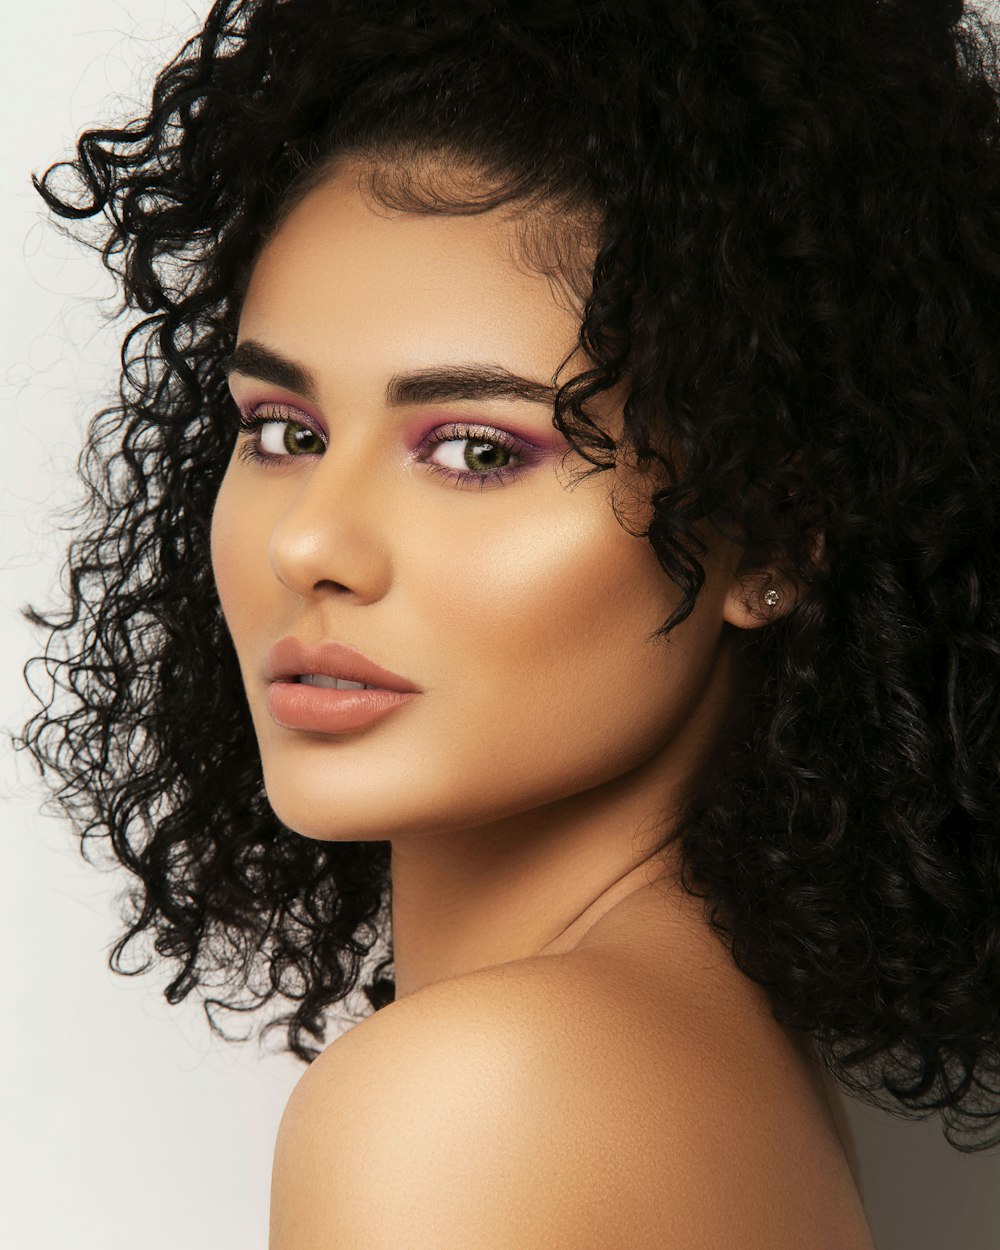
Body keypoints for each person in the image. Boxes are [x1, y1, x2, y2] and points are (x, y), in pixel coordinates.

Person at [17, 0, 1000, 1243]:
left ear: (770, 532)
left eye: (478, 449)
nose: (307, 540)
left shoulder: (479, 1100)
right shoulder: (693, 1064)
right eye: (282, 431)